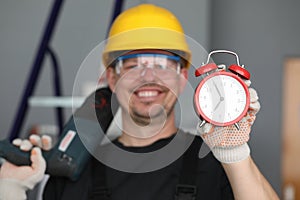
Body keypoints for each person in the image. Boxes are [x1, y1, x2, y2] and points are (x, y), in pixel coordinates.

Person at [0, 3, 279, 200]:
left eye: (162, 63)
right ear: (111, 78)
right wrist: (10, 190)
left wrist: (235, 155)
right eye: (131, 64)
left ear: (183, 76)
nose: (147, 77)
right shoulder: (72, 172)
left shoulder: (217, 164)